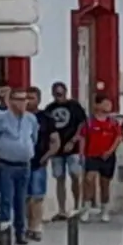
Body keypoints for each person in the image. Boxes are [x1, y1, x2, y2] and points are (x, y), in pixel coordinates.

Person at [0, 88, 39, 245]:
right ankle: (4, 233)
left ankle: (20, 233)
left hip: (24, 164)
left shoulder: (31, 119)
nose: (23, 103)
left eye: (25, 100)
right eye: (19, 99)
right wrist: (4, 150)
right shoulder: (0, 119)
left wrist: (26, 150)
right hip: (6, 164)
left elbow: (34, 137)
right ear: (11, 101)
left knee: (21, 199)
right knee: (6, 199)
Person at [43, 83, 87, 221]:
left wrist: (74, 140)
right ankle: (61, 209)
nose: (58, 97)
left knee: (75, 175)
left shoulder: (74, 106)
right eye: (56, 94)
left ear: (66, 93)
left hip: (72, 147)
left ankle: (76, 206)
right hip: (57, 149)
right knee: (59, 178)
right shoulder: (49, 109)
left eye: (60, 94)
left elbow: (82, 124)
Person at [79, 93, 121, 222]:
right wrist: (81, 154)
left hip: (107, 156)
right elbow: (83, 138)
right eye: (105, 103)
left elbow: (118, 138)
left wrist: (110, 151)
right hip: (92, 155)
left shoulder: (113, 122)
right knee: (89, 180)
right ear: (97, 105)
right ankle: (86, 208)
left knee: (105, 183)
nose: (108, 106)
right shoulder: (89, 121)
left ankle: (105, 210)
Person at [26, 86, 59, 241]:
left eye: (31, 98)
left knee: (37, 196)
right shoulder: (19, 117)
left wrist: (47, 156)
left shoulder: (46, 118)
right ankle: (26, 225)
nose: (28, 101)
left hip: (38, 162)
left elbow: (55, 141)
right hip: (21, 162)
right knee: (24, 197)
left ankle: (36, 226)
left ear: (38, 100)